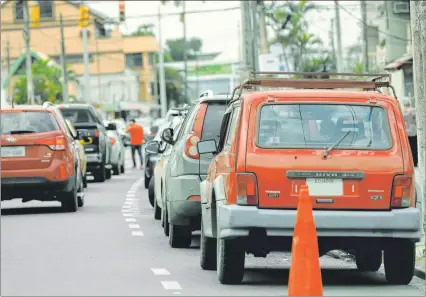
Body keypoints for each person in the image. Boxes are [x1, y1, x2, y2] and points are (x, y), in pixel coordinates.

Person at [402, 101, 418, 167]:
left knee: (408, 148)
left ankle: (410, 162)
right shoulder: (414, 110)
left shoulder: (403, 112)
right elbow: (415, 121)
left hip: (406, 132)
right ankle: (415, 162)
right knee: (414, 147)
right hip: (414, 131)